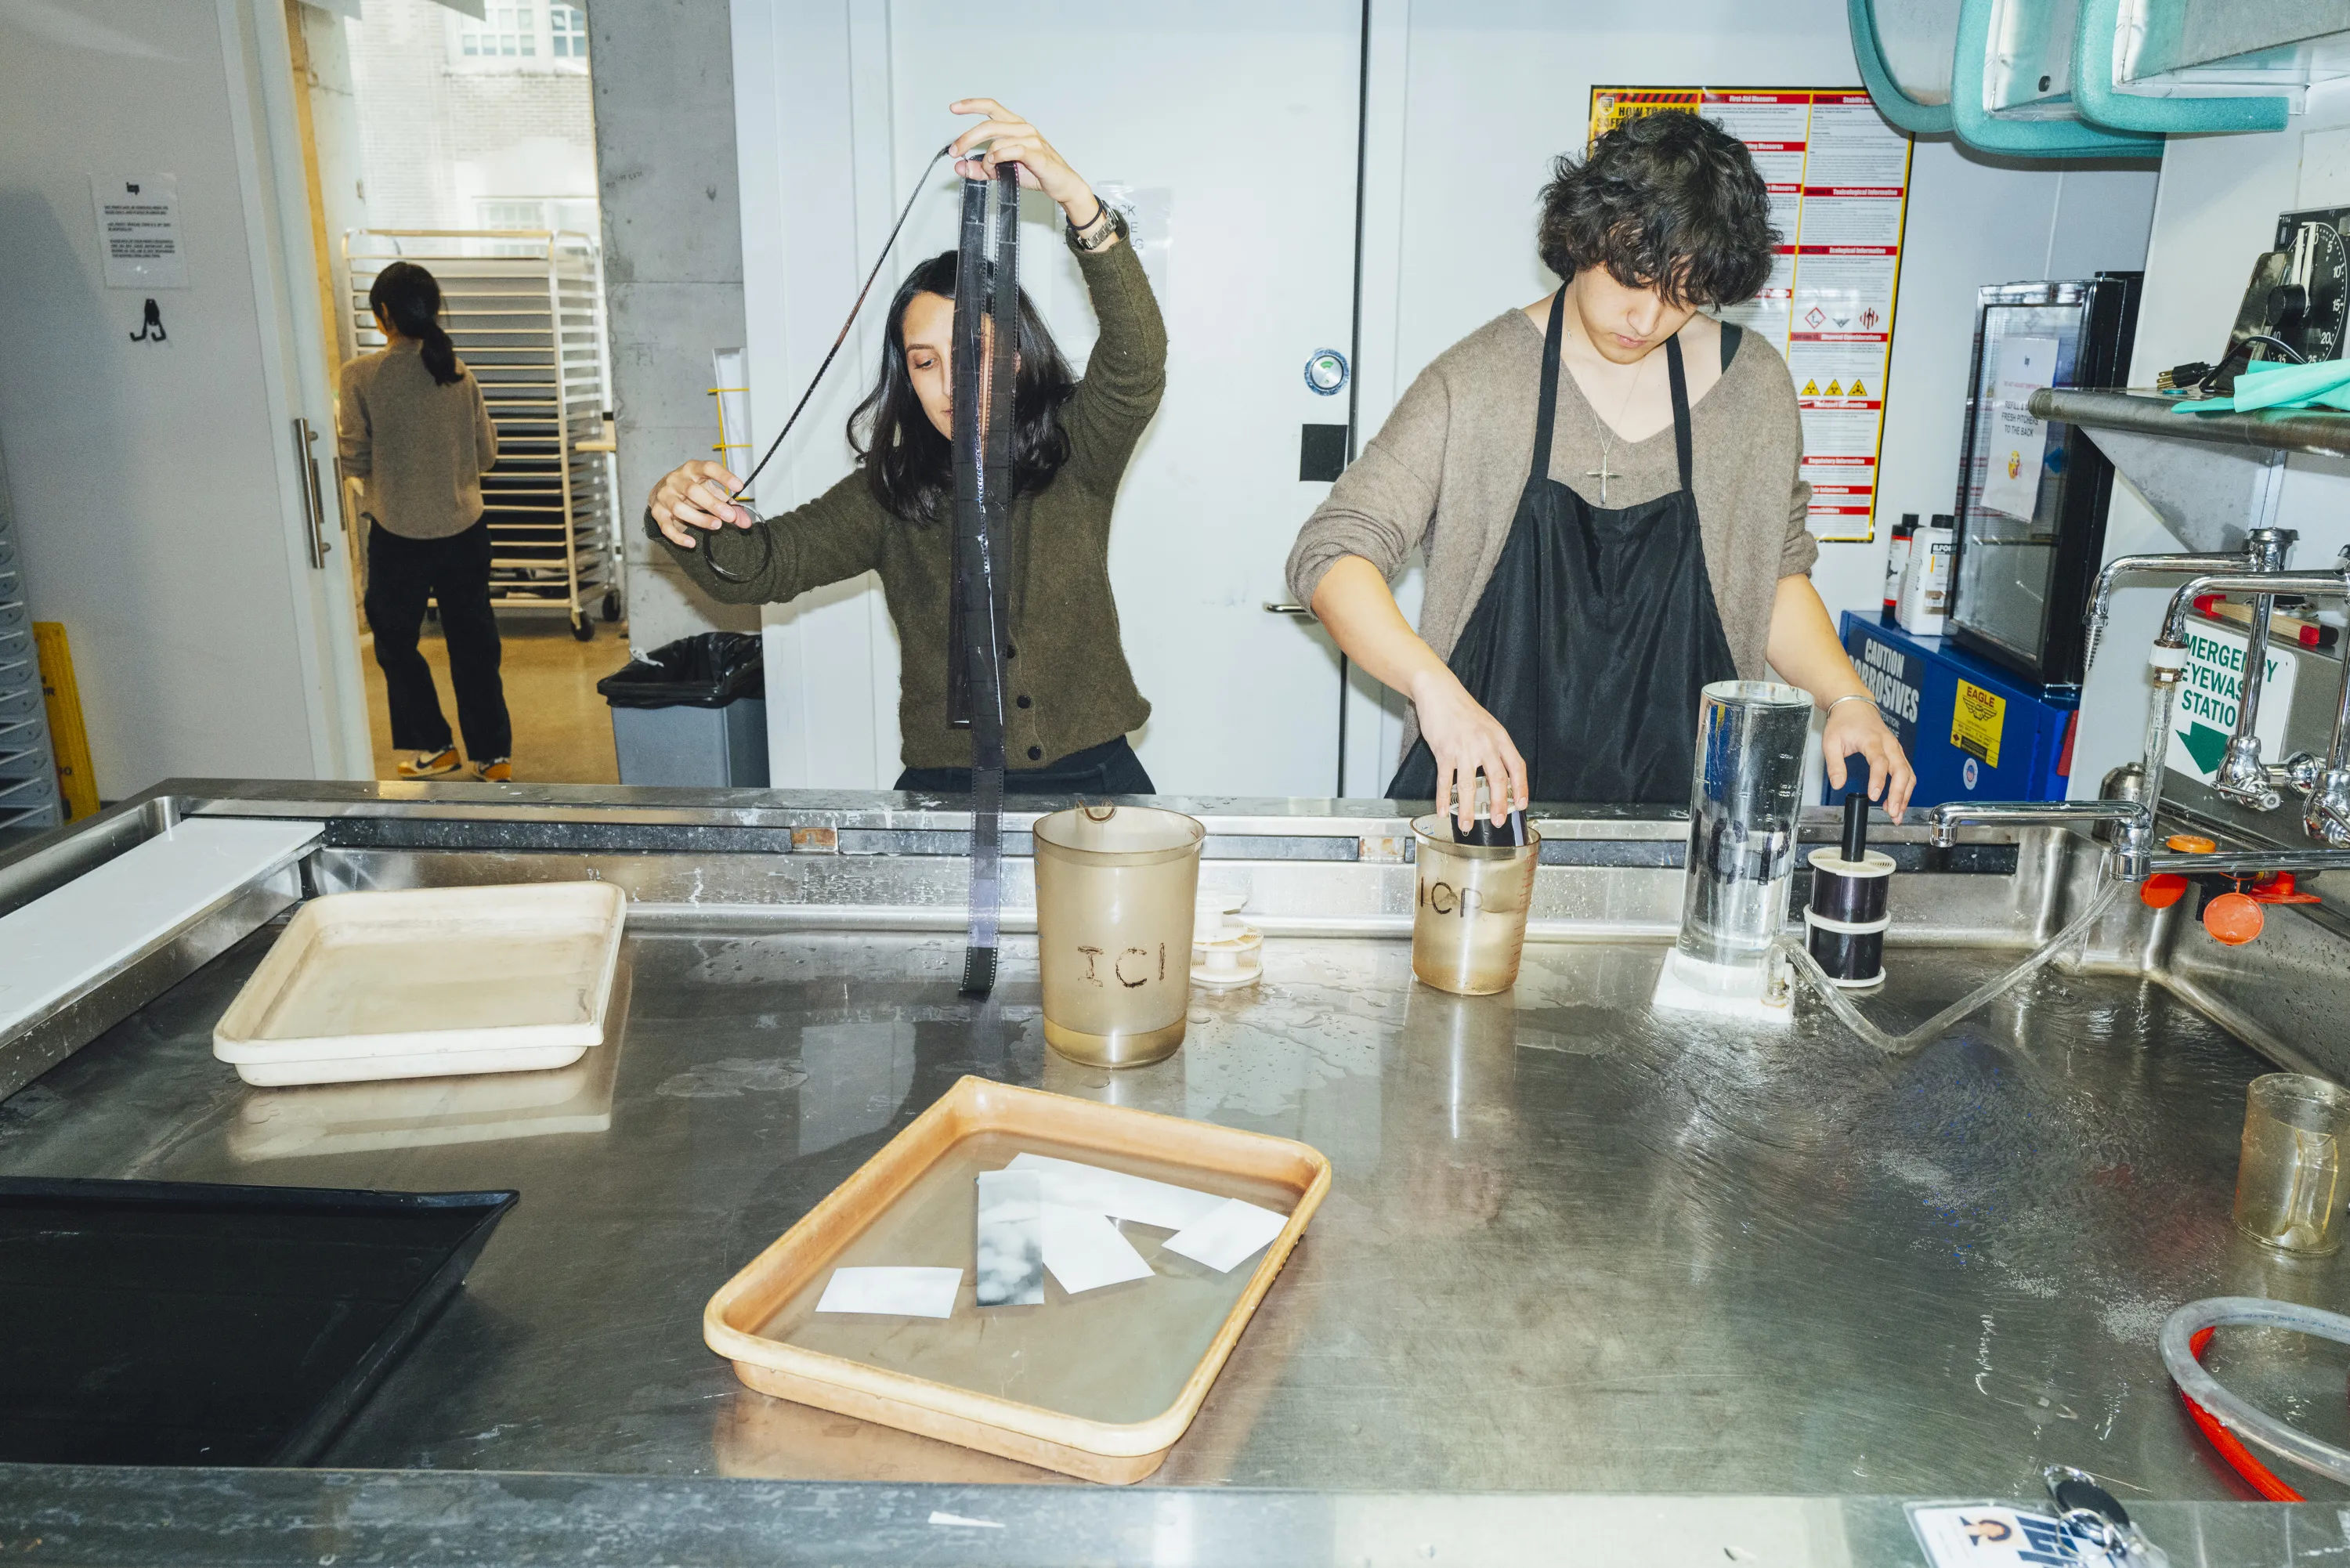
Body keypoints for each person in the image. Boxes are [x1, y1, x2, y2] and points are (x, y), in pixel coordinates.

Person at [1287, 111, 1915, 829]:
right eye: (1630, 277)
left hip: (1688, 829)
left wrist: (1848, 699)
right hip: (1479, 822)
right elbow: (1332, 552)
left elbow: (1772, 578)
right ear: (1583, 238)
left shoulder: (1755, 391)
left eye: (1680, 295)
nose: (1645, 319)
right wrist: (1434, 689)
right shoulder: (1480, 381)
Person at [648, 99, 1164, 797]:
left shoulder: (1077, 453)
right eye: (925, 362)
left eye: (971, 352)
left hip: (1093, 779)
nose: (950, 383)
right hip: (945, 787)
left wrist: (1077, 200)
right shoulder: (890, 492)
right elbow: (759, 566)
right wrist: (681, 514)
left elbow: (1137, 358)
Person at [338, 261, 513, 782]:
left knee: (395, 644)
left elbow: (351, 458)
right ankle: (493, 757)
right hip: (466, 528)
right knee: (474, 643)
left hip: (398, 534)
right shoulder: (458, 372)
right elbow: (487, 455)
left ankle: (436, 746)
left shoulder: (358, 376)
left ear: (384, 314)